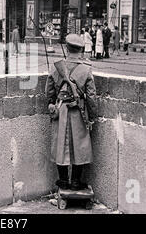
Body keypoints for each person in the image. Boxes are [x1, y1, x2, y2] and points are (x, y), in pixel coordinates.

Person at [45, 34, 97, 191]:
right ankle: (75, 181)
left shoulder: (55, 67)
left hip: (60, 110)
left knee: (60, 144)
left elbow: (49, 92)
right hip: (78, 112)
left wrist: (51, 104)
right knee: (79, 145)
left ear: (67, 48)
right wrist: (92, 116)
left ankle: (62, 181)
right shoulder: (86, 69)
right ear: (81, 50)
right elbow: (92, 97)